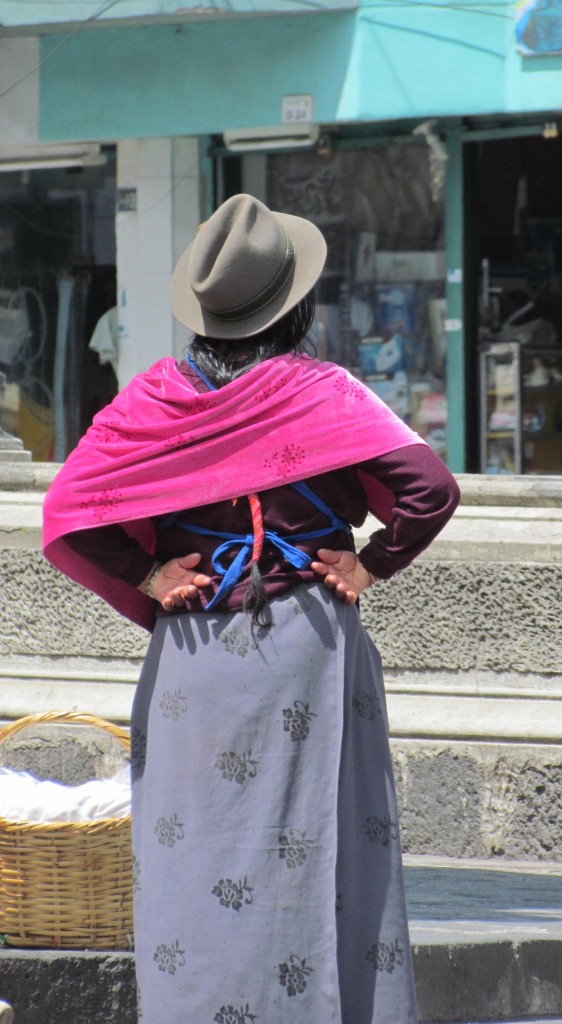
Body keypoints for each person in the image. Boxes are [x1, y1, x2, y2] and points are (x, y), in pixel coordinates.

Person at [42, 194, 460, 1023]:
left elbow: (69, 510)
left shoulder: (150, 401)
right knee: (324, 845)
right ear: (293, 305)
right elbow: (431, 490)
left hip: (193, 659)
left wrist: (148, 573)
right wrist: (371, 562)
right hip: (306, 650)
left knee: (191, 853)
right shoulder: (325, 392)